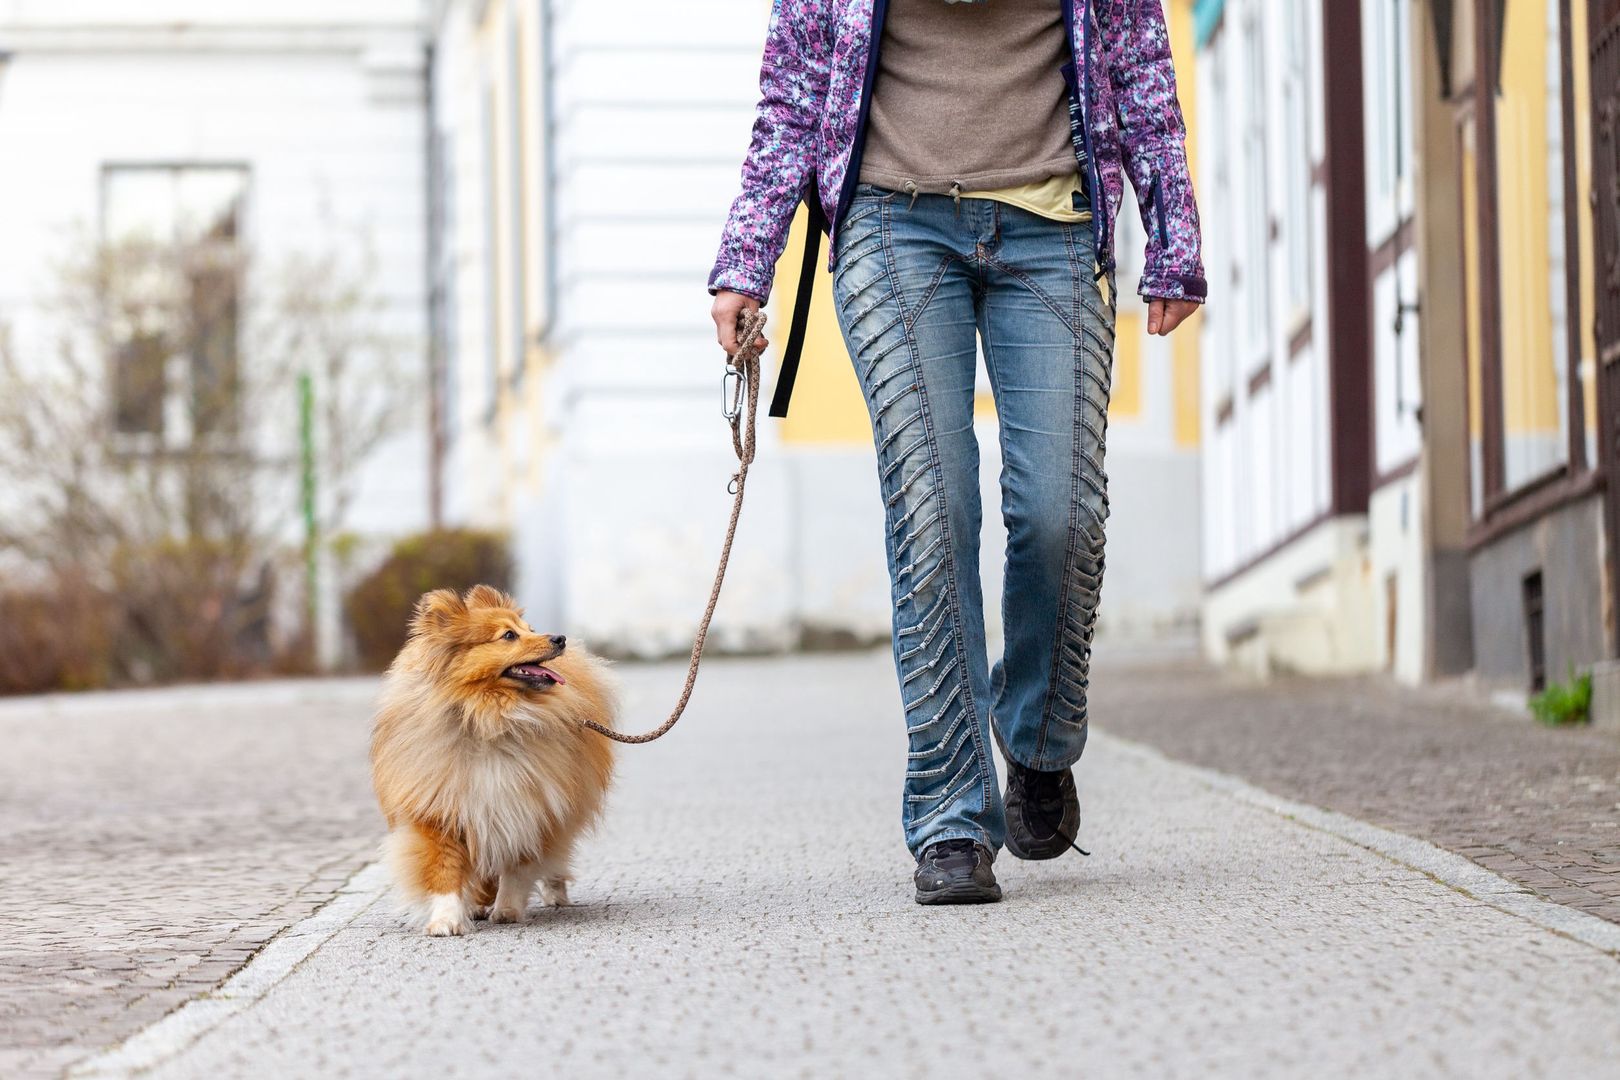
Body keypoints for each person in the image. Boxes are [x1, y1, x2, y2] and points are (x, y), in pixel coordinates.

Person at [709, 0, 1205, 904]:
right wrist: (748, 257)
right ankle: (949, 818)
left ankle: (1042, 740)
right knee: (933, 510)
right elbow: (792, 93)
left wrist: (1173, 237)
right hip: (893, 231)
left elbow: (1139, 64)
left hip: (1054, 225)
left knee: (1064, 515)